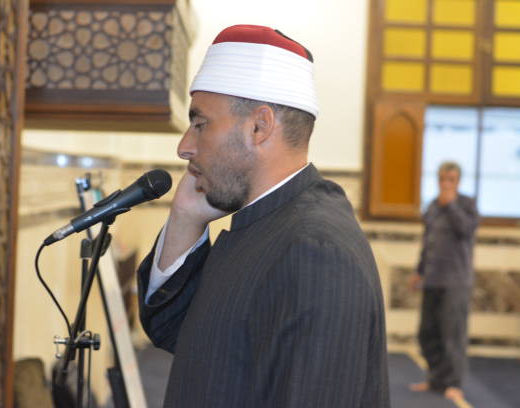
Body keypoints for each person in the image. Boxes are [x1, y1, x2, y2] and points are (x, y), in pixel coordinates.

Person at [136, 24, 390, 407]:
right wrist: (186, 219)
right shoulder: (261, 223)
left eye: (200, 123)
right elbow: (172, 331)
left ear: (259, 126)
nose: (185, 146)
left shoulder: (316, 250)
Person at [409, 161, 479, 402]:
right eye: (443, 179)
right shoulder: (432, 206)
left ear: (458, 182)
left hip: (456, 281)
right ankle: (436, 379)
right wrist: (419, 271)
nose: (446, 184)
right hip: (432, 279)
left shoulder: (466, 205)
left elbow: (467, 230)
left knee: (452, 335)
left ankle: (453, 383)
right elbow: (427, 242)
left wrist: (450, 205)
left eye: (451, 179)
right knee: (427, 333)